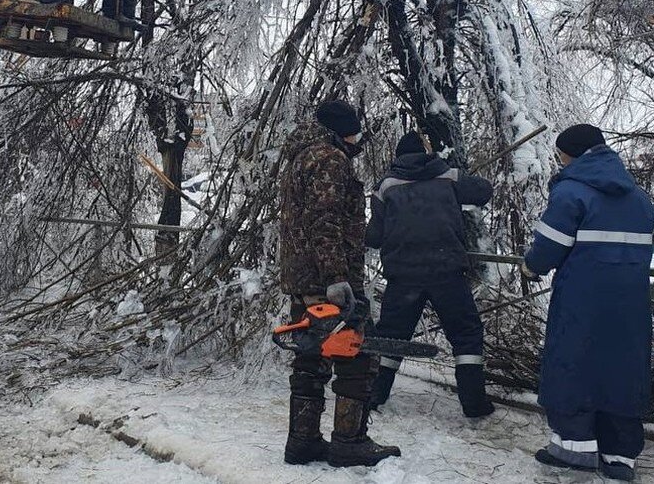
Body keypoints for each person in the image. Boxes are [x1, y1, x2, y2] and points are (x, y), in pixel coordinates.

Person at [523, 124, 653, 482]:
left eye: (562, 154)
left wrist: (530, 265)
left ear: (573, 154)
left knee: (573, 363)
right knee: (622, 370)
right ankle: (620, 456)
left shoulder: (572, 192)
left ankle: (572, 449)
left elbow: (547, 250)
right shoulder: (640, 198)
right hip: (631, 304)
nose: (560, 161)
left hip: (582, 299)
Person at [278, 99, 400, 468]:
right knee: (357, 359)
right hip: (332, 280)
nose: (358, 135)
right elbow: (324, 220)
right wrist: (336, 278)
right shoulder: (330, 159)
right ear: (343, 129)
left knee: (310, 360)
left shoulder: (301, 157)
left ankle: (302, 442)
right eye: (354, 128)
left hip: (304, 278)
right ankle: (349, 442)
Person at [366, 131, 496, 418]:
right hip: (446, 272)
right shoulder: (448, 177)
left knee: (391, 337)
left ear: (398, 158)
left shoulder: (386, 186)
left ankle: (374, 395)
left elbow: (374, 237)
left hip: (403, 277)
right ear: (427, 153)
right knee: (465, 335)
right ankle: (474, 403)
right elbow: (484, 192)